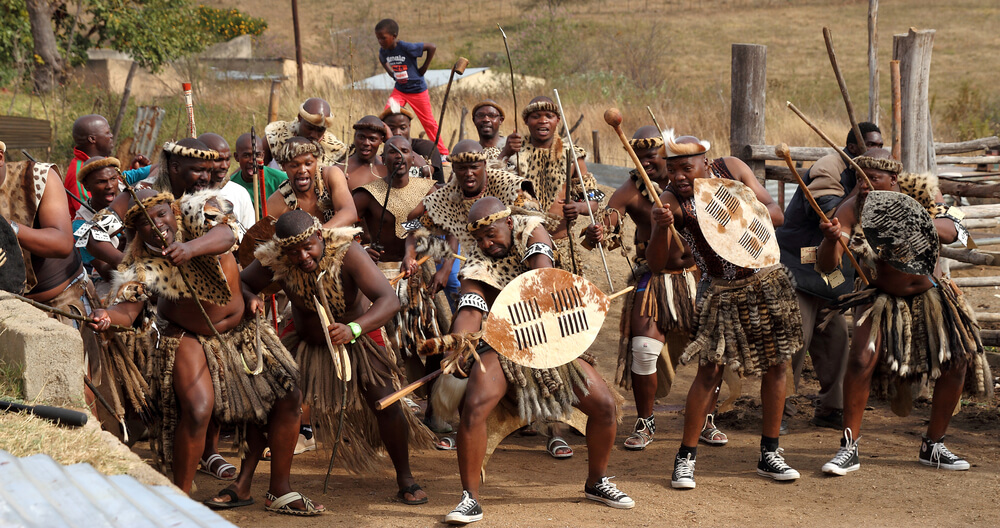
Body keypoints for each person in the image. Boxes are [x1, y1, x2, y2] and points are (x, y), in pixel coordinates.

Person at [91, 188, 323, 515]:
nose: (157, 224)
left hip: (241, 330)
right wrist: (106, 317)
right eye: (145, 222)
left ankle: (279, 490)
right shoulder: (140, 261)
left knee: (288, 396)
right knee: (199, 409)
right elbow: (128, 311)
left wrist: (188, 249)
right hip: (188, 337)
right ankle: (179, 500)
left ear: (173, 212)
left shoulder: (200, 221)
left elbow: (228, 236)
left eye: (161, 214)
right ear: (136, 231)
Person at [440, 197, 634, 525]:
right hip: (501, 345)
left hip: (549, 341)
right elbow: (471, 311)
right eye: (480, 239)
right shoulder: (477, 262)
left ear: (509, 223)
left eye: (491, 234)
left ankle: (596, 482)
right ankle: (469, 498)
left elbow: (543, 282)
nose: (487, 244)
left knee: (604, 406)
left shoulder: (531, 231)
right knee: (474, 406)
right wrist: (458, 346)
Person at [815, 148, 992, 475]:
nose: (864, 185)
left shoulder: (925, 194)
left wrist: (907, 216)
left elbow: (955, 232)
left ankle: (934, 445)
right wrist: (829, 239)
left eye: (873, 178)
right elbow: (828, 265)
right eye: (859, 178)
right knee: (861, 359)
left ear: (893, 179)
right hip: (880, 296)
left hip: (931, 296)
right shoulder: (853, 207)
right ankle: (848, 447)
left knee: (959, 360)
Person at [242, 209, 435, 504]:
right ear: (283, 250)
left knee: (385, 401)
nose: (303, 256)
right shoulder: (275, 259)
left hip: (357, 335)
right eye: (294, 252)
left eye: (309, 247)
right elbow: (241, 281)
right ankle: (246, 485)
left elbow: (389, 300)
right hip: (305, 339)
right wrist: (250, 297)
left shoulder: (348, 252)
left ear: (320, 236)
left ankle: (405, 477)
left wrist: (354, 328)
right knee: (272, 402)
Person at [647, 131, 803, 489]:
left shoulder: (731, 169)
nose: (679, 177)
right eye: (672, 171)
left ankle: (770, 453)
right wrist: (660, 228)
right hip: (720, 290)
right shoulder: (670, 202)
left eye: (686, 168)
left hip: (765, 279)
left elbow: (775, 215)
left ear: (705, 161)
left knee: (777, 364)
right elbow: (657, 263)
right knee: (709, 371)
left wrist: (732, 208)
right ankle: (685, 458)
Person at [583, 126, 709, 451]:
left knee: (714, 348)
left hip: (699, 275)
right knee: (642, 348)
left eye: (651, 156)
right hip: (653, 277)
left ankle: (707, 417)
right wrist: (598, 231)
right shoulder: (629, 190)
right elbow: (609, 221)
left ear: (665, 156)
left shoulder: (695, 186)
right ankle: (645, 420)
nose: (645, 163)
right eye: (639, 157)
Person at [402, 139, 535, 438]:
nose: (468, 173)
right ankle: (447, 395)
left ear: (484, 165)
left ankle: (540, 414)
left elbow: (532, 223)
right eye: (461, 168)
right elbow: (413, 225)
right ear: (454, 170)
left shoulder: (508, 184)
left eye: (474, 166)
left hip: (519, 258)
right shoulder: (446, 195)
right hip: (479, 265)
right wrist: (409, 254)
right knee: (465, 324)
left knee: (528, 333)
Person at [775, 122, 883, 432]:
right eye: (870, 145)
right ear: (852, 150)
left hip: (831, 273)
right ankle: (778, 409)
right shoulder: (828, 169)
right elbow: (832, 216)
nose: (876, 151)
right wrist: (861, 187)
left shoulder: (870, 176)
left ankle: (830, 408)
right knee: (796, 338)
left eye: (880, 145)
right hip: (799, 265)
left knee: (836, 339)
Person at [353, 136, 450, 363]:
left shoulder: (428, 190)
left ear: (412, 158)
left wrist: (444, 268)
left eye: (404, 151)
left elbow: (441, 228)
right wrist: (362, 249)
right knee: (386, 339)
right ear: (383, 159)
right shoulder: (368, 193)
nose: (398, 156)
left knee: (434, 331)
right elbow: (344, 226)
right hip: (379, 272)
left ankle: (433, 384)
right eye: (392, 152)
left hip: (419, 270)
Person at [375, 18, 448, 158]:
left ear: (394, 36)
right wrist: (391, 73)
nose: (380, 42)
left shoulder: (406, 47)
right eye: (378, 39)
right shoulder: (383, 51)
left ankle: (442, 153)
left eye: (383, 38)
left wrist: (424, 68)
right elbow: (382, 59)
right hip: (400, 91)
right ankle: (389, 149)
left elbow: (432, 47)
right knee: (386, 117)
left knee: (428, 122)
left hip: (417, 91)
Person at [63, 114, 153, 216]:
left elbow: (114, 188)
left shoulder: (102, 162)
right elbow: (97, 216)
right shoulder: (81, 174)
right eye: (107, 132)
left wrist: (136, 177)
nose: (111, 136)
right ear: (92, 139)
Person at [266, 137, 357, 228]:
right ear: (284, 167)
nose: (302, 170)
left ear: (316, 161)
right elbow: (265, 238)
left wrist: (320, 235)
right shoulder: (277, 202)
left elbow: (350, 212)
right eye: (294, 165)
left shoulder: (330, 176)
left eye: (308, 164)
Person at [72, 156, 126, 281]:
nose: (109, 186)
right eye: (101, 181)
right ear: (86, 186)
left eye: (113, 179)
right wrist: (122, 246)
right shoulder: (81, 224)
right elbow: (106, 274)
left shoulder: (128, 196)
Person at [199, 133, 255, 238]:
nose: (225, 166)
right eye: (218, 160)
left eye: (227, 159)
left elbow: (249, 238)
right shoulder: (188, 195)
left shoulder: (239, 193)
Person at [265, 97, 347, 168]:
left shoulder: (336, 151)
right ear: (300, 118)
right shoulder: (276, 136)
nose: (314, 135)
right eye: (309, 128)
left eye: (320, 130)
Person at [380, 102, 444, 183]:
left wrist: (393, 142)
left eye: (402, 128)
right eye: (392, 129)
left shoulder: (426, 147)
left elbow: (425, 172)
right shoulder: (385, 155)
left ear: (409, 126)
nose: (397, 132)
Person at [230, 132, 288, 210]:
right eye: (246, 156)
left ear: (263, 156)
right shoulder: (231, 185)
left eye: (257, 155)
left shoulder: (281, 180)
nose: (252, 161)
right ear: (236, 157)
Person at [471, 100, 522, 169]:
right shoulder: (471, 150)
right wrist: (505, 154)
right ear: (474, 120)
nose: (486, 119)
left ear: (501, 120)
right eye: (480, 116)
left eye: (492, 116)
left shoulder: (513, 145)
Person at [345, 115, 390, 190]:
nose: (366, 143)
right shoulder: (342, 170)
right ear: (355, 136)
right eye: (361, 137)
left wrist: (391, 140)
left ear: (381, 140)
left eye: (372, 139)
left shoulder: (388, 167)